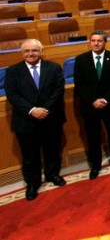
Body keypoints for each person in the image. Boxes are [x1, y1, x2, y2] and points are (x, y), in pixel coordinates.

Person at [5, 39, 66, 201]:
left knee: (52, 150)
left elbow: (58, 90)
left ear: (41, 51)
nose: (31, 54)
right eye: (27, 51)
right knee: (29, 155)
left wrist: (45, 109)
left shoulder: (53, 68)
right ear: (22, 53)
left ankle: (52, 175)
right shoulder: (13, 71)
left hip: (51, 117)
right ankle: (32, 183)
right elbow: (12, 95)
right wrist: (32, 110)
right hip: (26, 120)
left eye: (34, 50)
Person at [74, 30, 110, 180]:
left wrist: (105, 100)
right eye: (93, 41)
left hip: (109, 105)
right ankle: (95, 165)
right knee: (93, 137)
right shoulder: (81, 59)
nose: (96, 43)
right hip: (90, 106)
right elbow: (80, 84)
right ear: (90, 42)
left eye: (99, 41)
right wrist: (93, 100)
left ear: (105, 42)